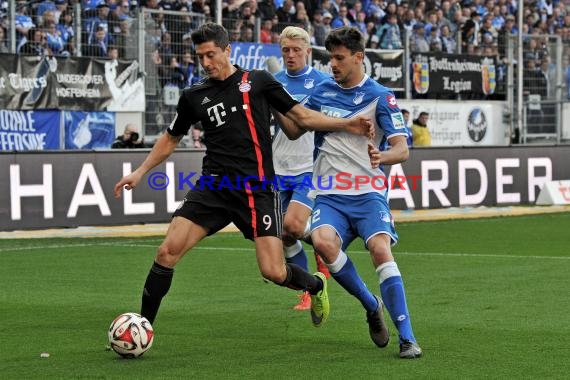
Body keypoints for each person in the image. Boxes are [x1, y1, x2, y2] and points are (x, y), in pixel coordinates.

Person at [113, 23, 375, 331]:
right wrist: (140, 172)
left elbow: (302, 117)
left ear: (227, 50)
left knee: (275, 272)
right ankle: (143, 327)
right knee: (166, 252)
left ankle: (316, 286)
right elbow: (171, 138)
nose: (206, 63)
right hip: (213, 187)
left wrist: (346, 124)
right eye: (200, 57)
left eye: (211, 54)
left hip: (257, 191)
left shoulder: (258, 82)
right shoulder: (194, 96)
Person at [277, 26, 422, 359]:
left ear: (359, 57)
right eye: (330, 58)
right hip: (329, 193)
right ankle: (372, 305)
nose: (333, 65)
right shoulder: (321, 93)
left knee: (380, 251)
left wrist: (381, 156)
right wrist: (274, 106)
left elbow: (402, 150)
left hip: (368, 193)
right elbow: (294, 129)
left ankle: (408, 337)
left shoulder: (380, 96)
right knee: (325, 243)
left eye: (340, 58)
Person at [272, 26, 332, 311]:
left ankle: (324, 245)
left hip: (309, 167)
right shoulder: (273, 82)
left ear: (308, 51)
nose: (291, 55)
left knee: (293, 225)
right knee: (285, 235)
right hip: (277, 167)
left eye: (297, 50)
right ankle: (310, 289)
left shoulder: (322, 83)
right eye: (286, 50)